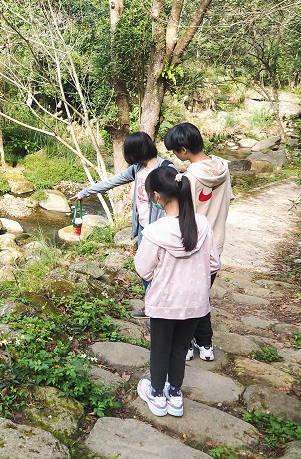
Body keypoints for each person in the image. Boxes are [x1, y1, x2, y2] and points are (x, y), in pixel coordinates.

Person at [135, 166, 220, 417]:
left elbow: (143, 268)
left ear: (157, 197)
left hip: (164, 302)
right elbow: (214, 264)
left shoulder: (154, 232)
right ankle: (175, 394)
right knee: (180, 348)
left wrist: (159, 279)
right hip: (195, 303)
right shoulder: (202, 224)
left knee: (160, 348)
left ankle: (158, 395)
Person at [71, 132, 174, 317]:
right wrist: (86, 192)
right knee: (145, 269)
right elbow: (112, 181)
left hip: (162, 230)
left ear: (138, 151)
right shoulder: (137, 169)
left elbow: (177, 201)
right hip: (144, 229)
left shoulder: (166, 169)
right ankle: (152, 307)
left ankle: (163, 311)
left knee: (163, 272)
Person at [164, 122, 233, 362]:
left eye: (175, 152)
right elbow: (228, 201)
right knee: (201, 294)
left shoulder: (187, 179)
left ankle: (190, 345)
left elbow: (180, 216)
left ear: (183, 150)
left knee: (189, 297)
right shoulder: (223, 169)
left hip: (192, 245)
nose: (176, 156)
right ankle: (204, 345)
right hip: (216, 243)